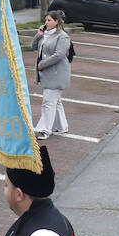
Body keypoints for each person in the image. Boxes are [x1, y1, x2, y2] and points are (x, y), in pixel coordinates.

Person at [31, 11, 71, 140]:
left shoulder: (62, 37)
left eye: (49, 20)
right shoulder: (45, 35)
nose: (46, 23)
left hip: (56, 74)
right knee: (56, 102)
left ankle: (44, 130)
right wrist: (38, 35)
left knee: (48, 102)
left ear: (57, 21)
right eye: (46, 20)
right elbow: (33, 47)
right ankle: (62, 126)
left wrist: (43, 64)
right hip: (47, 74)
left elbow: (59, 54)